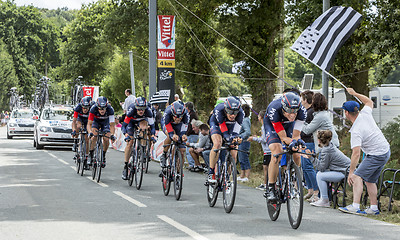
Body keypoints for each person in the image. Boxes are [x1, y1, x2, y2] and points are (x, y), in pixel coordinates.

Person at [339, 88, 390, 215]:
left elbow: (356, 153)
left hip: (376, 154)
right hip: (384, 150)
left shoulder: (356, 130)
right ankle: (373, 208)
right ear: (357, 110)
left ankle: (355, 206)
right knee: (370, 180)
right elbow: (369, 102)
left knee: (357, 176)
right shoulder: (365, 113)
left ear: (346, 113)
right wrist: (355, 93)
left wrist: (351, 172)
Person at [263, 91, 307, 202]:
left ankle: (292, 177)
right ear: (283, 108)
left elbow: (296, 136)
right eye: (289, 111)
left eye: (295, 112)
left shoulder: (302, 111)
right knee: (277, 152)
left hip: (288, 125)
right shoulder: (274, 108)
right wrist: (290, 141)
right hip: (273, 126)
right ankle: (271, 188)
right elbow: (283, 138)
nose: (292, 115)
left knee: (296, 151)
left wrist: (297, 142)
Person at [303, 130, 351, 207]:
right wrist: (313, 156)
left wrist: (311, 158)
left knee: (319, 175)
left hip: (344, 173)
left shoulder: (326, 150)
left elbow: (321, 168)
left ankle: (324, 200)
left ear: (318, 140)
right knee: (321, 174)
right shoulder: (330, 146)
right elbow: (324, 165)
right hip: (345, 170)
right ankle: (324, 198)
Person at [208, 96, 244, 183]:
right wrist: (228, 138)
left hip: (230, 126)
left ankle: (227, 176)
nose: (233, 115)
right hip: (217, 124)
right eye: (230, 112)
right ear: (226, 109)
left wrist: (236, 139)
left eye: (235, 113)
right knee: (217, 143)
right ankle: (211, 171)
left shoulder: (241, 113)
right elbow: (223, 130)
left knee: (234, 152)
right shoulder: (219, 109)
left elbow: (236, 131)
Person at [121, 97, 156, 180]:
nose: (141, 111)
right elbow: (124, 126)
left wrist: (153, 135)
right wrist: (126, 135)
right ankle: (126, 166)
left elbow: (152, 126)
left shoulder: (148, 111)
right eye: (139, 109)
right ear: (136, 108)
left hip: (142, 122)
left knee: (144, 129)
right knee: (130, 143)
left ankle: (143, 149)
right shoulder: (131, 110)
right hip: (131, 123)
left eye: (143, 109)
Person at [159, 101, 190, 175]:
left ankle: (178, 171)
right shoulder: (168, 112)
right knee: (171, 136)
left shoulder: (186, 114)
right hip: (168, 124)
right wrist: (172, 135)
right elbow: (167, 126)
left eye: (180, 117)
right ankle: (164, 154)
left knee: (182, 150)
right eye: (176, 116)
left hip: (179, 126)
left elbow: (184, 128)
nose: (178, 118)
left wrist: (183, 135)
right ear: (172, 114)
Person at [300, 90, 319, 202]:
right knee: (304, 167)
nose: (301, 102)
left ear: (306, 100)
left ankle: (316, 191)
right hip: (303, 142)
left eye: (302, 99)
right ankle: (310, 189)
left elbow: (308, 129)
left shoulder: (311, 112)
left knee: (309, 166)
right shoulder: (306, 111)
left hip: (309, 142)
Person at [87, 96, 116, 167]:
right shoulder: (93, 109)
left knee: (106, 138)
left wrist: (112, 135)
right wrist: (90, 132)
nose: (102, 111)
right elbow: (89, 124)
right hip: (95, 122)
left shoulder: (110, 109)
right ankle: (90, 154)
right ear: (97, 107)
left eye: (104, 109)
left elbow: (112, 125)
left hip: (105, 123)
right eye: (100, 109)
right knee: (94, 137)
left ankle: (103, 155)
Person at [248, 110, 271, 191]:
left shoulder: (264, 127)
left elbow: (264, 139)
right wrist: (257, 137)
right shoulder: (267, 126)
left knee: (266, 168)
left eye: (258, 116)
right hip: (269, 150)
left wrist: (253, 138)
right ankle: (269, 183)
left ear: (261, 117)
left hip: (268, 150)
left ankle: (266, 184)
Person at [71, 96, 93, 168]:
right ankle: (75, 142)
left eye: (86, 108)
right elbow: (74, 121)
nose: (85, 109)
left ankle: (86, 158)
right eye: (83, 107)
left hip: (88, 121)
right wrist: (74, 131)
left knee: (87, 140)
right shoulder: (78, 107)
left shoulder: (92, 107)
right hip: (80, 119)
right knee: (78, 126)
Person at [237, 104, 251, 182]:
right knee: (241, 158)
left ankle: (247, 176)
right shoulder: (244, 119)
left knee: (244, 158)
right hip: (241, 142)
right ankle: (242, 175)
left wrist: (240, 136)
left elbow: (248, 132)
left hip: (244, 141)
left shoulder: (245, 120)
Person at [185, 101, 199, 170]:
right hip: (195, 135)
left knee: (189, 149)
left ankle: (192, 164)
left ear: (187, 108)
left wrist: (186, 133)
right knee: (192, 148)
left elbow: (190, 126)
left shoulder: (191, 115)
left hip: (191, 135)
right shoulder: (194, 114)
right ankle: (194, 164)